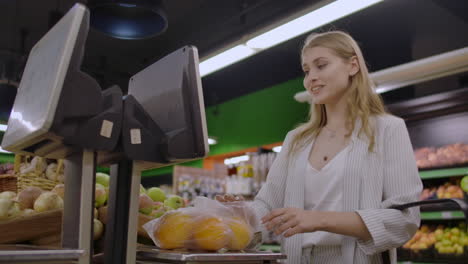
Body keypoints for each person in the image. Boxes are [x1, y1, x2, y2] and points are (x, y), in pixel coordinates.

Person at [218, 31, 423, 264]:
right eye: (306, 71)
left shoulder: (387, 130)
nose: (310, 78)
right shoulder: (296, 140)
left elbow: (404, 219)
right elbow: (267, 206)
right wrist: (241, 215)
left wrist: (318, 219)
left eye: (321, 65)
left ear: (352, 66)